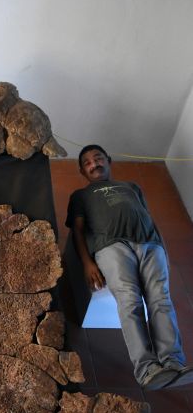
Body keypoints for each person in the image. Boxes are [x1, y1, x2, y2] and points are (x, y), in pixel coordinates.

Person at [66, 144, 193, 390]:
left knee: (161, 300)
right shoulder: (80, 196)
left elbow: (150, 219)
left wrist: (164, 251)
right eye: (88, 162)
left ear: (109, 160)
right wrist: (87, 263)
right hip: (111, 247)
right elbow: (77, 231)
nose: (95, 164)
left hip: (149, 244)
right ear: (82, 170)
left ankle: (174, 362)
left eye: (98, 158)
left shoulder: (132, 187)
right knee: (130, 301)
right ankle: (147, 370)